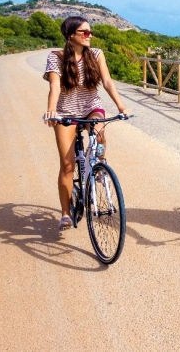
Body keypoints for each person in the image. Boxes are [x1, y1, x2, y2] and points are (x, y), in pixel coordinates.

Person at [43, 16, 129, 231]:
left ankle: (98, 163)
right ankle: (65, 213)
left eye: (90, 32)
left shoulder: (97, 54)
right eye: (84, 32)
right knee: (67, 165)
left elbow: (107, 81)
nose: (89, 36)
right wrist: (51, 111)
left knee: (99, 133)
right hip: (65, 111)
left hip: (92, 107)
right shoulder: (56, 57)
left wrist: (121, 107)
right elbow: (54, 86)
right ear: (70, 35)